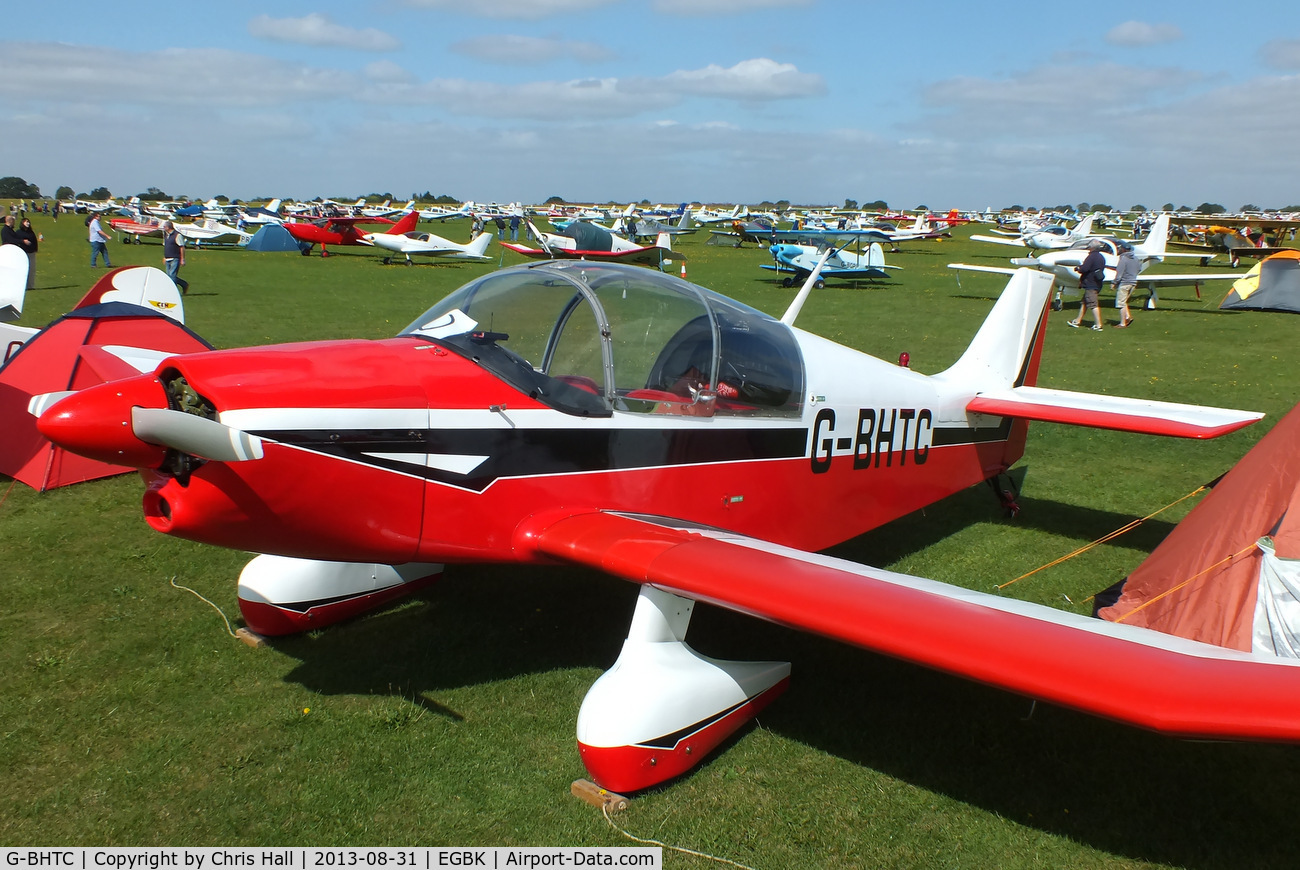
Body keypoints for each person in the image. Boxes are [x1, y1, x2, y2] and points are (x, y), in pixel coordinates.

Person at [1067, 239, 1106, 331]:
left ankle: (1098, 325)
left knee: (1093, 304)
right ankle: (1077, 321)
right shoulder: (1101, 257)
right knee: (1084, 302)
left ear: (1092, 247)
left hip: (1090, 283)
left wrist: (1078, 268)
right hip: (1097, 282)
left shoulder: (1091, 257)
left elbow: (1084, 269)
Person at [1112, 242, 1138, 328]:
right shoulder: (1136, 258)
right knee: (1124, 301)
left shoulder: (1123, 258)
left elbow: (1119, 273)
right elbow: (1139, 268)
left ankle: (1122, 323)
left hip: (1125, 283)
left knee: (1121, 303)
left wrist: (1114, 283)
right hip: (1133, 283)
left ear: (1123, 249)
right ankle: (1128, 317)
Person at [161, 220, 188, 294]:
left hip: (175, 258)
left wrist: (182, 259)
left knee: (172, 276)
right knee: (169, 276)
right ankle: (184, 284)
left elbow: (181, 247)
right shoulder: (166, 235)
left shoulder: (177, 235)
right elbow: (166, 246)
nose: (163, 228)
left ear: (168, 227)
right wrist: (164, 257)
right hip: (167, 258)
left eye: (164, 227)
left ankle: (173, 293)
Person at [15, 217, 38, 290]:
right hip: (23, 253)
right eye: (26, 222)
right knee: (22, 270)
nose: (28, 223)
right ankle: (21, 285)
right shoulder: (18, 232)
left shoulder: (31, 232)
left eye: (28, 221)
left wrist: (35, 249)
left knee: (31, 270)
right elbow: (16, 241)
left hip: (31, 253)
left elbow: (35, 241)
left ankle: (30, 286)